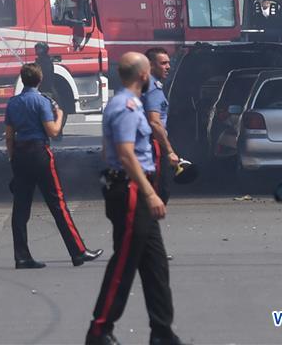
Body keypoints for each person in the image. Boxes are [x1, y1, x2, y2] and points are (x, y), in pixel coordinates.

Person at [85, 52, 185, 345]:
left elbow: (108, 151)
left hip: (134, 189)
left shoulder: (127, 104)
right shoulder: (127, 106)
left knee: (155, 265)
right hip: (131, 191)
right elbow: (126, 154)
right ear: (143, 75)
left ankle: (162, 331)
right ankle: (99, 329)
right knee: (124, 263)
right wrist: (150, 192)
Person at [5, 63, 102, 269]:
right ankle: (78, 251)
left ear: (22, 79)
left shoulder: (13, 103)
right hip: (39, 153)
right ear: (39, 80)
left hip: (21, 155)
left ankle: (21, 256)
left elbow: (9, 136)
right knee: (57, 204)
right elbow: (52, 131)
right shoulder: (42, 102)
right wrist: (59, 115)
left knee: (20, 209)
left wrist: (13, 160)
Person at [142, 48, 180, 203]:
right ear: (150, 65)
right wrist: (169, 151)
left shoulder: (143, 84)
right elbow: (154, 122)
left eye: (168, 63)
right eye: (163, 63)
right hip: (152, 146)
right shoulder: (152, 89)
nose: (168, 67)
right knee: (158, 192)